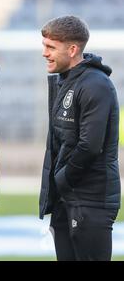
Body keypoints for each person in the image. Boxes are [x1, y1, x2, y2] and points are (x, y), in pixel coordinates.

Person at [39, 15, 120, 261]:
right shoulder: (66, 82)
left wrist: (61, 179)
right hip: (67, 199)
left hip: (90, 201)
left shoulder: (96, 84)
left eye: (51, 47)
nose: (44, 53)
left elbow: (90, 146)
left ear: (73, 49)